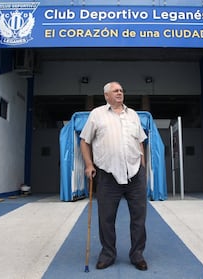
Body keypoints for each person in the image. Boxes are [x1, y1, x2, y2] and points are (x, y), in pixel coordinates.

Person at [80, 81, 148, 271]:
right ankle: (108, 254)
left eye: (121, 90)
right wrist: (88, 164)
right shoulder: (97, 114)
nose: (119, 93)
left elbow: (140, 142)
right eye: (115, 91)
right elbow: (84, 142)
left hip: (135, 174)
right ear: (106, 96)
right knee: (106, 218)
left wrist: (142, 166)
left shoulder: (133, 115)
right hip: (108, 175)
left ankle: (137, 254)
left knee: (139, 218)